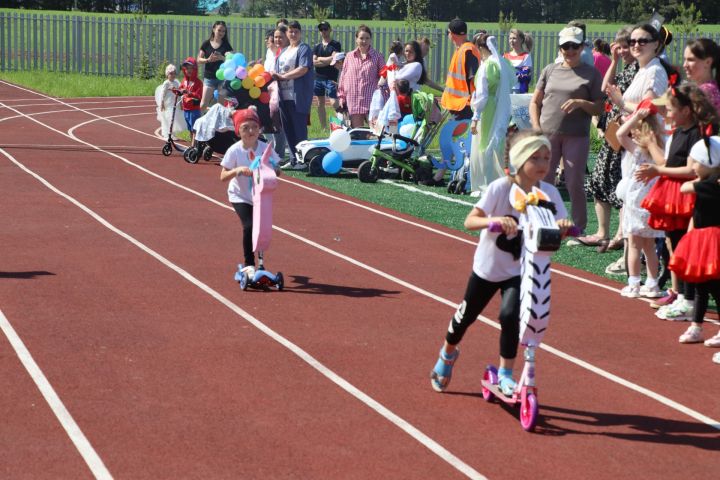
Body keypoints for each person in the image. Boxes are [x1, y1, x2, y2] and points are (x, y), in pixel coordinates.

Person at [429, 130, 571, 396]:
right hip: (488, 268)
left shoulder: (549, 192)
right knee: (465, 318)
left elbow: (561, 224)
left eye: (546, 158)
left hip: (520, 269)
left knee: (510, 316)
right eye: (535, 158)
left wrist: (563, 225)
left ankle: (505, 373)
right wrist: (493, 222)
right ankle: (447, 354)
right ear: (519, 159)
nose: (542, 165)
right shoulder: (500, 188)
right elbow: (470, 221)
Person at [636, 84, 719, 320]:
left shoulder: (697, 134)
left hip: (685, 197)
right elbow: (673, 163)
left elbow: (693, 170)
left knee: (685, 246)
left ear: (686, 110)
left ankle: (689, 300)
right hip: (672, 195)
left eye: (671, 109)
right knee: (675, 245)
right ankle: (683, 296)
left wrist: (658, 170)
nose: (667, 114)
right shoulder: (679, 132)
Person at [530, 26, 604, 233]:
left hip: (576, 136)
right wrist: (536, 128)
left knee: (574, 182)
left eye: (574, 46)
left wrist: (581, 102)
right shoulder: (549, 70)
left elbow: (600, 107)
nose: (570, 50)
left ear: (582, 47)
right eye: (565, 46)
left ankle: (578, 227)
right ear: (560, 48)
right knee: (542, 179)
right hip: (548, 134)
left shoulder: (591, 73)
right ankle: (542, 221)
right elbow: (535, 102)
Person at [583, 27, 638, 255]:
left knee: (619, 184)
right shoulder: (626, 67)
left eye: (627, 46)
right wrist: (614, 61)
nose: (623, 50)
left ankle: (620, 235)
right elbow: (606, 87)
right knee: (598, 178)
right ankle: (602, 232)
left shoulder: (640, 70)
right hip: (612, 129)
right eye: (620, 46)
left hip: (625, 132)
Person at [668, 136, 720, 360]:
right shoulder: (709, 184)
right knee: (700, 287)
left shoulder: (710, 186)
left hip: (712, 242)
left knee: (716, 289)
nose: (692, 167)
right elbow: (696, 215)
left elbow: (685, 188)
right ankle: (697, 326)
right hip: (701, 240)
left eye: (695, 162)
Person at [220, 107, 281, 281]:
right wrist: (238, 170)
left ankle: (261, 264)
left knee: (262, 229)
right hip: (240, 196)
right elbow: (223, 176)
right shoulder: (234, 150)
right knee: (248, 226)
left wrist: (271, 168)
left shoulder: (264, 148)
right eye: (245, 128)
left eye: (254, 126)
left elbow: (278, 170)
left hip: (261, 197)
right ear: (238, 131)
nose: (251, 131)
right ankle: (249, 264)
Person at [615, 100, 665, 298]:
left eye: (635, 130)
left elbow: (620, 134)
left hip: (636, 203)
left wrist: (635, 116)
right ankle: (652, 284)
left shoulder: (638, 151)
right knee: (650, 246)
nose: (632, 134)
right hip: (652, 203)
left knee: (634, 244)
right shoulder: (659, 151)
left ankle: (634, 283)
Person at [423, 18, 480, 187]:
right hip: (459, 105)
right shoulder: (462, 49)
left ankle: (441, 177)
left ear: (452, 34)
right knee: (450, 141)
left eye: (448, 32)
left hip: (465, 106)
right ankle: (442, 175)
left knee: (453, 142)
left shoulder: (467, 51)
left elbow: (473, 79)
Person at [469, 34, 514, 195]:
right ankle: (503, 182)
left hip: (487, 110)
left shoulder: (487, 66)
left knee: (481, 147)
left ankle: (482, 184)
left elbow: (482, 95)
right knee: (498, 146)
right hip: (501, 108)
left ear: (481, 48)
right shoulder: (504, 63)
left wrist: (475, 117)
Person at [273, 20, 314, 169]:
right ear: (287, 33)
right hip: (283, 96)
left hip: (298, 96)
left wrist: (283, 76)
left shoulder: (304, 49)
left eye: (296, 31)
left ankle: (303, 160)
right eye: (291, 31)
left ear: (300, 33)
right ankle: (293, 159)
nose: (293, 34)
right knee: (288, 128)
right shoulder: (283, 51)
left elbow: (303, 69)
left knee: (299, 129)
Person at [337, 25, 385, 128]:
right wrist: (341, 97)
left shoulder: (378, 56)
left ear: (370, 39)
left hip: (372, 103)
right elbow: (343, 78)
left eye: (367, 38)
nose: (364, 41)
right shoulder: (349, 56)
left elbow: (384, 76)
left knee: (377, 132)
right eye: (361, 38)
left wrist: (384, 97)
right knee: (358, 134)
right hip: (353, 102)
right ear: (356, 39)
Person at [197, 21, 233, 111]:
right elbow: (198, 59)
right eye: (219, 30)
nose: (221, 33)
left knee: (221, 106)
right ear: (213, 29)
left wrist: (222, 58)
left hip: (222, 79)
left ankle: (218, 123)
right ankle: (202, 122)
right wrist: (208, 60)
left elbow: (231, 60)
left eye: (223, 31)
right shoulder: (206, 44)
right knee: (203, 104)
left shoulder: (226, 45)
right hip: (209, 78)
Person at [312, 21, 342, 129]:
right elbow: (313, 62)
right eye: (321, 29)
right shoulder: (317, 46)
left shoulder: (335, 44)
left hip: (331, 78)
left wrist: (320, 59)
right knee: (320, 103)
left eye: (325, 29)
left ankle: (338, 126)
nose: (323, 31)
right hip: (318, 78)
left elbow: (334, 58)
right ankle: (324, 127)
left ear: (330, 29)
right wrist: (326, 60)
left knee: (334, 102)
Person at [265, 26, 288, 159]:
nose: (268, 42)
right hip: (267, 89)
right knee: (268, 120)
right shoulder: (269, 52)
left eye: (270, 39)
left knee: (277, 120)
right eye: (274, 37)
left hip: (279, 90)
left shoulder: (283, 52)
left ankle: (278, 152)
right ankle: (272, 148)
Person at [683, 38, 720, 113]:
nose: (684, 65)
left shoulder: (706, 92)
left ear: (708, 62)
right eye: (685, 59)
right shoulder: (704, 89)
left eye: (690, 60)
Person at [177, 57, 203, 142]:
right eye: (187, 68)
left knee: (194, 129)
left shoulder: (198, 82)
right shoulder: (184, 80)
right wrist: (177, 90)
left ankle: (194, 146)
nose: (189, 70)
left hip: (194, 109)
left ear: (195, 69)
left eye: (191, 68)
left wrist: (189, 93)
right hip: (186, 109)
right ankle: (193, 145)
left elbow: (199, 95)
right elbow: (180, 88)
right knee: (190, 129)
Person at [155, 63, 183, 139]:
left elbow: (179, 94)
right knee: (169, 119)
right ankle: (167, 134)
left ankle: (172, 134)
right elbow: (162, 94)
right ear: (167, 74)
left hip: (175, 104)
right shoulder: (166, 83)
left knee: (175, 119)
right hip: (168, 104)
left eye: (174, 74)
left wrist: (181, 104)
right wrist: (162, 103)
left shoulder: (176, 83)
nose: (173, 75)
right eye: (171, 74)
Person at [503, 28, 533, 93]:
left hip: (519, 90)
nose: (511, 41)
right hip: (505, 89)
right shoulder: (505, 56)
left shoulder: (526, 56)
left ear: (521, 40)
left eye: (514, 38)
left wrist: (510, 72)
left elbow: (525, 75)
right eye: (510, 38)